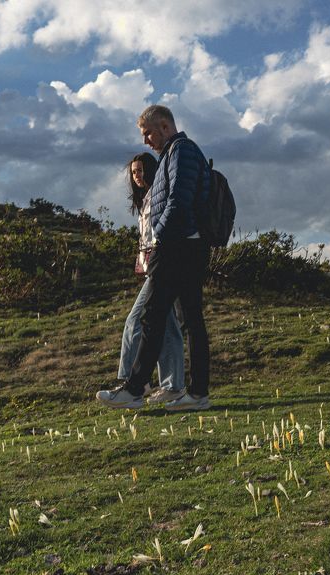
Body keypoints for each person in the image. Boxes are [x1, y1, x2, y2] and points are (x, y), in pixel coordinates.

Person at [97, 105, 212, 411]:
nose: (145, 140)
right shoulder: (174, 153)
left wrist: (159, 235)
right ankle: (196, 393)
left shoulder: (181, 151)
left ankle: (135, 389)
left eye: (148, 133)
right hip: (187, 244)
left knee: (154, 316)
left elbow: (179, 199)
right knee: (187, 319)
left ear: (164, 126)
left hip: (176, 246)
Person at [103, 153, 185, 404]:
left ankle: (132, 382)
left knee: (135, 320)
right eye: (133, 173)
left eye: (140, 171)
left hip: (165, 265)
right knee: (168, 327)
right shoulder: (146, 200)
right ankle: (173, 385)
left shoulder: (159, 196)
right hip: (156, 267)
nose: (136, 176)